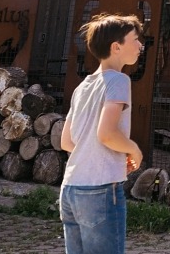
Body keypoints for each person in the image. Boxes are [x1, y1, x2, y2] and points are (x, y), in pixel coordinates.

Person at [60, 13, 144, 254]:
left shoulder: (82, 86)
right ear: (116, 47)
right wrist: (133, 149)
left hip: (71, 189)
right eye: (135, 39)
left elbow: (66, 141)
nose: (140, 45)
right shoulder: (118, 80)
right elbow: (106, 134)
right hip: (100, 189)